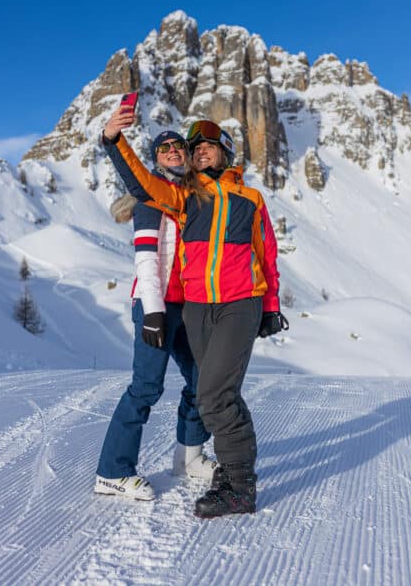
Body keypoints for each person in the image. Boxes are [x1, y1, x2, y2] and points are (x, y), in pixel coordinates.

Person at [101, 108, 288, 518]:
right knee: (207, 391)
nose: (200, 151)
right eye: (195, 147)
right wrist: (115, 142)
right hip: (197, 307)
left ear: (225, 152)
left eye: (208, 146)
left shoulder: (251, 199)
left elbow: (267, 254)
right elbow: (143, 186)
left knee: (214, 393)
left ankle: (238, 484)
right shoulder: (186, 196)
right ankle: (221, 469)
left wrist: (271, 305)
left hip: (239, 302)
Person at [95, 130, 216, 501]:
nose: (172, 151)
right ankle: (112, 472)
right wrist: (152, 311)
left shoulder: (188, 199)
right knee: (146, 386)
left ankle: (189, 457)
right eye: (163, 148)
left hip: (185, 305)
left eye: (178, 146)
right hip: (156, 305)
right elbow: (146, 258)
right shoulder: (150, 200)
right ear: (156, 158)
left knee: (200, 379)